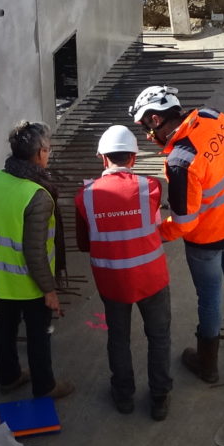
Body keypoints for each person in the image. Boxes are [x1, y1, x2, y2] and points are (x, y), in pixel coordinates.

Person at [132, 84, 224, 385]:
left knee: (210, 296)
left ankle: (208, 366)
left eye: (145, 130)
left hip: (208, 241)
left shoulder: (180, 161)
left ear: (155, 120)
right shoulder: (215, 117)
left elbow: (183, 224)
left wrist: (155, 233)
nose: (148, 138)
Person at [75, 124, 174, 421]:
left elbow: (83, 244)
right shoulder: (151, 188)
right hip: (151, 278)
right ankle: (159, 398)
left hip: (112, 281)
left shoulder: (85, 196)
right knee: (159, 336)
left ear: (102, 159)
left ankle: (124, 396)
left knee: (118, 338)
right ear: (133, 158)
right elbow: (154, 223)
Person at [0, 121, 74, 401]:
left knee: (5, 328)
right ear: (41, 152)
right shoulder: (37, 196)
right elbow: (35, 252)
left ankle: (9, 378)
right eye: (49, 150)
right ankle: (45, 386)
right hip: (28, 283)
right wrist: (49, 290)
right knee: (38, 334)